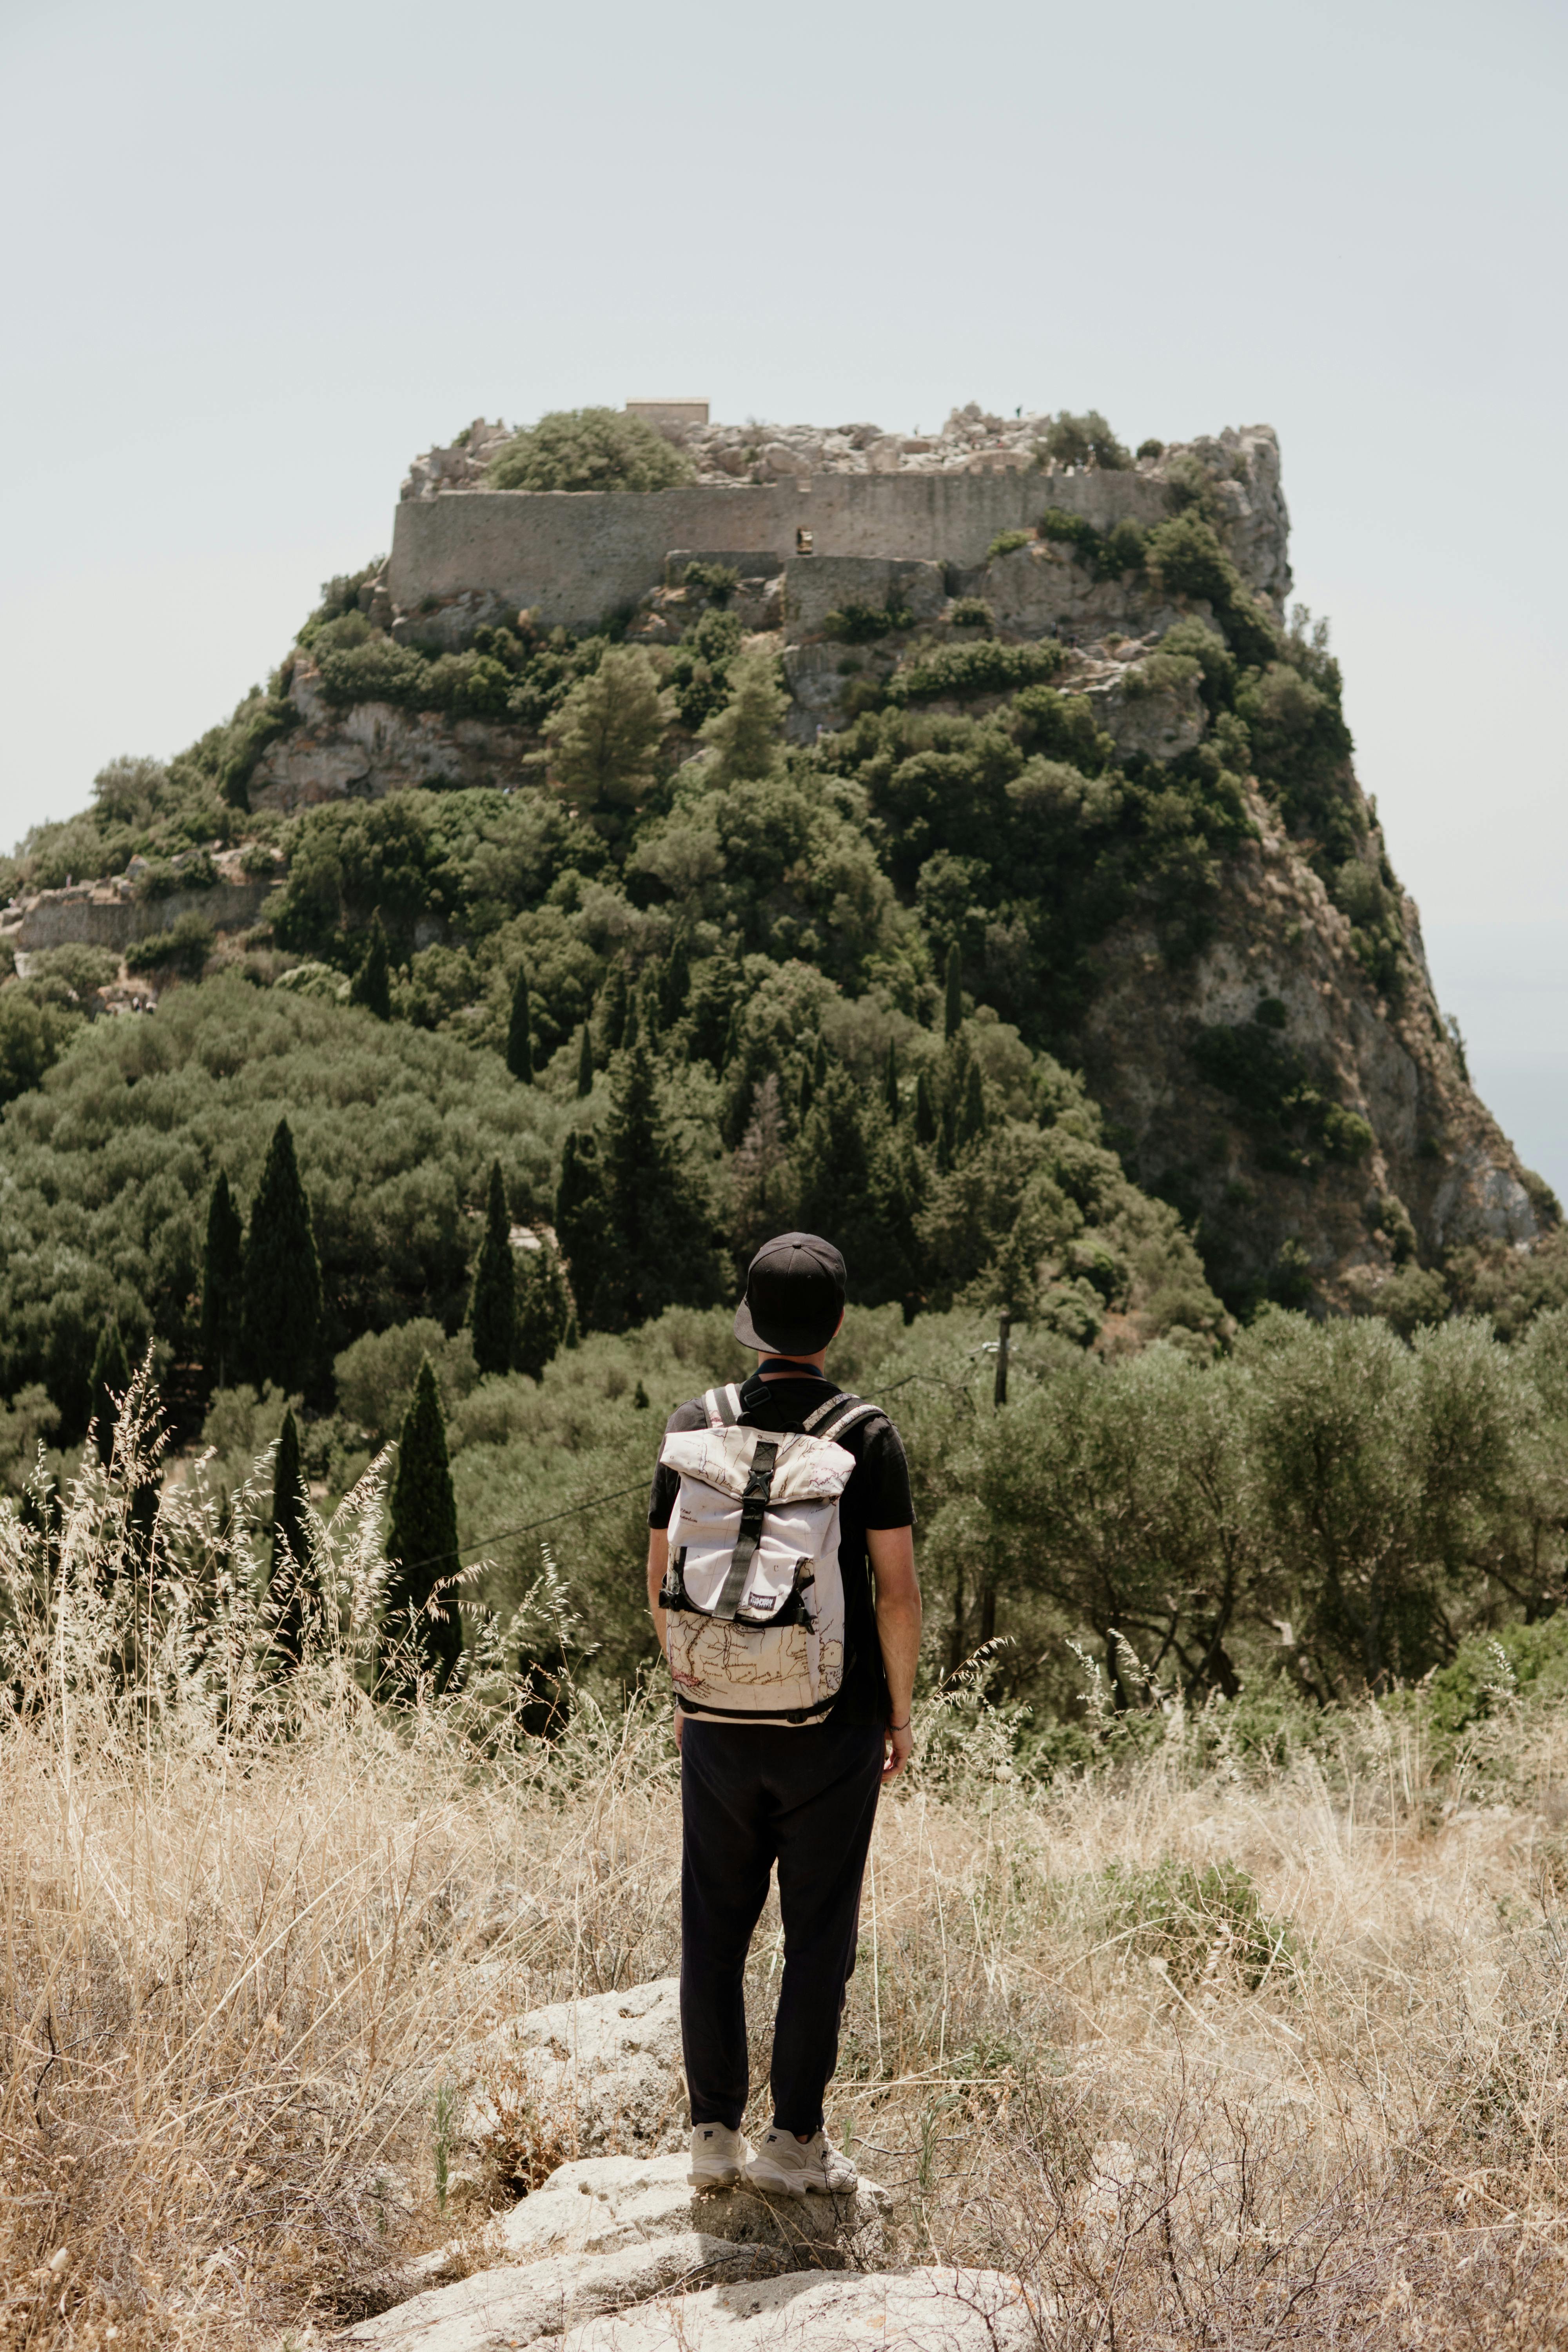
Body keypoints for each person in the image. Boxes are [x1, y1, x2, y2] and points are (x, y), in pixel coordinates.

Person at [646, 1232, 922, 2196]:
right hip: (831, 1726)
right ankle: (793, 2143)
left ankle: (711, 2136)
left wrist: (689, 1690)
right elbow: (894, 1592)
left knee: (712, 1932)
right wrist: (897, 1712)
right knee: (817, 1937)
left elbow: (658, 1577)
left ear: (750, 1321)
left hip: (714, 1717)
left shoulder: (696, 1423)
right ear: (837, 1323)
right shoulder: (864, 1434)